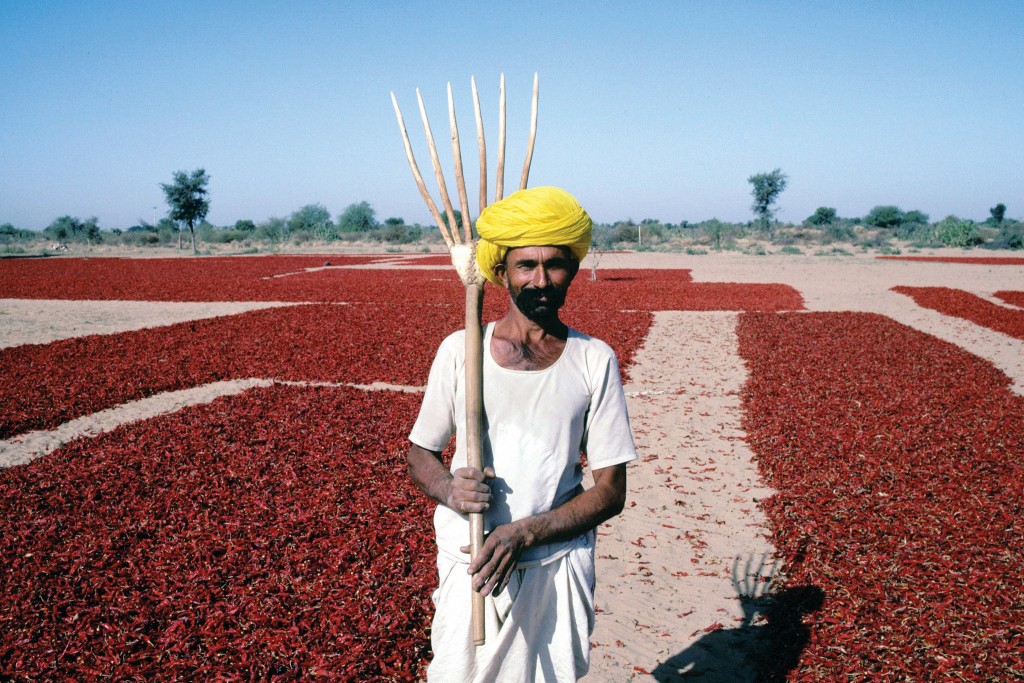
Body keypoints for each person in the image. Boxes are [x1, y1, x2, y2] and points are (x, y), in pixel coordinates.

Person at [407, 186, 638, 681]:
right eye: (525, 265)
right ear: (501, 273)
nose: (540, 279)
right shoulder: (458, 350)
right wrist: (448, 488)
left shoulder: (593, 360)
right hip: (473, 563)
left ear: (572, 270)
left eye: (554, 265)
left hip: (555, 563)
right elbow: (420, 453)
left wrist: (526, 531)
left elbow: (611, 492)